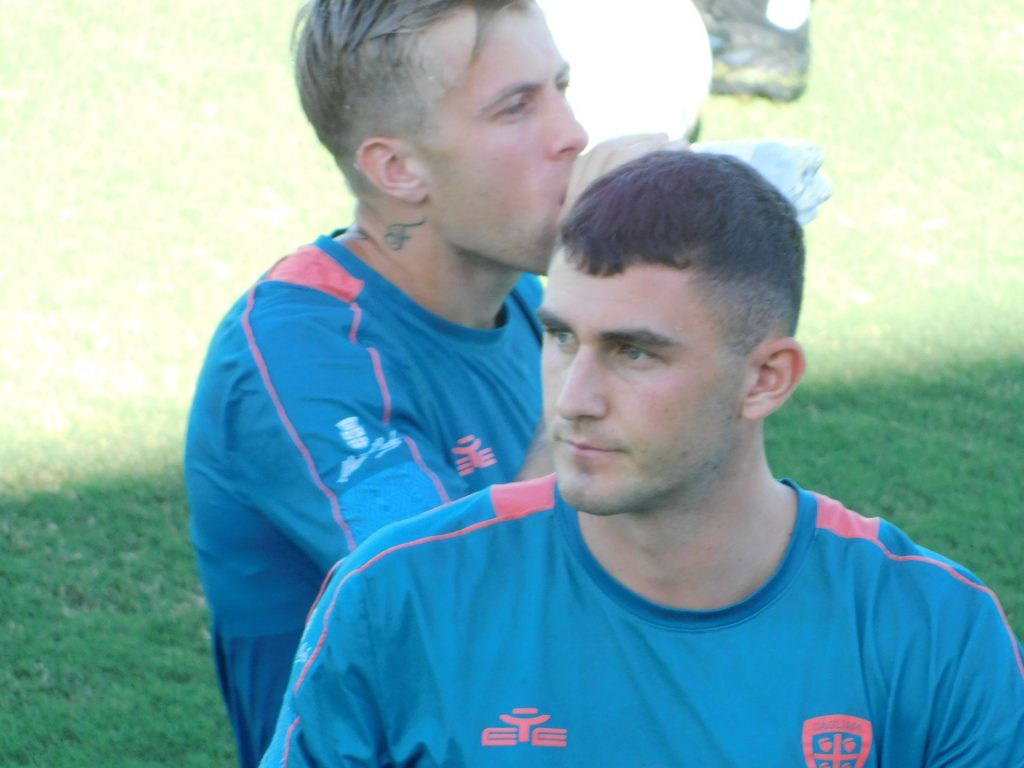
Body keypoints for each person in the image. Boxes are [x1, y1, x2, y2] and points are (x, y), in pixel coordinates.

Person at [184, 1, 830, 764]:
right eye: (516, 108)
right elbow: (456, 622)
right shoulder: (302, 355)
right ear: (398, 170)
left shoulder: (535, 307)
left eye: (561, 88)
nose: (574, 135)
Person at [260, 150, 1024, 766]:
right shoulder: (396, 599)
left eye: (634, 353)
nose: (573, 399)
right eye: (562, 337)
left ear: (766, 378)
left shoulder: (934, 632)